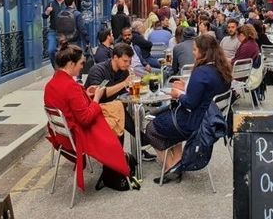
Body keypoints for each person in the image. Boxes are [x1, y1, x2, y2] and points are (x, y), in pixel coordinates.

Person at [145, 35, 231, 183]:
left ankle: (171, 168)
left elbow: (190, 103)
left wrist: (178, 94)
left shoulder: (201, 72)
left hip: (194, 123)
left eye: (195, 49)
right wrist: (186, 87)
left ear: (204, 52)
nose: (193, 52)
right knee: (167, 118)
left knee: (151, 128)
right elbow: (206, 94)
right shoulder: (222, 70)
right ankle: (178, 162)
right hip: (210, 121)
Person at [43, 42, 129, 191]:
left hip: (63, 135)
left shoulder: (52, 83)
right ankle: (111, 174)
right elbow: (85, 119)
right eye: (81, 63)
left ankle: (113, 169)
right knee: (116, 126)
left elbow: (70, 104)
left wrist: (86, 93)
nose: (83, 66)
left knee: (116, 108)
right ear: (71, 63)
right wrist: (96, 98)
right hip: (78, 135)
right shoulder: (71, 86)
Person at [57, 0, 89, 81]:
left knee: (66, 58)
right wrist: (87, 40)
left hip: (64, 41)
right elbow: (81, 28)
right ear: (73, 2)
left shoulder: (60, 14)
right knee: (77, 58)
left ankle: (67, 76)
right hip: (75, 40)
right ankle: (78, 77)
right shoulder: (77, 14)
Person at [42, 0, 66, 68]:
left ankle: (63, 70)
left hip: (65, 32)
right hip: (53, 31)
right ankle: (56, 69)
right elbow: (44, 16)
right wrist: (47, 12)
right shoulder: (51, 3)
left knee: (65, 53)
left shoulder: (67, 3)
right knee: (51, 50)